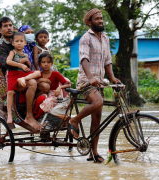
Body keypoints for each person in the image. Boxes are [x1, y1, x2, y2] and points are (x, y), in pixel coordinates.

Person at [67, 9, 121, 163]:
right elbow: (83, 58)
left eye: (101, 18)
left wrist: (112, 78)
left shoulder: (105, 38)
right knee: (98, 102)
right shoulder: (86, 38)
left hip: (100, 82)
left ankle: (93, 153)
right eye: (97, 19)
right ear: (89, 22)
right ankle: (74, 120)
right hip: (86, 81)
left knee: (97, 118)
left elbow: (107, 61)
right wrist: (90, 77)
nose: (101, 21)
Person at [0, 16, 43, 130]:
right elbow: (6, 63)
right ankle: (29, 116)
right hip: (12, 77)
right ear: (0, 30)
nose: (9, 28)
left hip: (25, 74)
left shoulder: (18, 40)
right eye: (5, 26)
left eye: (10, 25)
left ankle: (39, 114)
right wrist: (23, 62)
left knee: (45, 85)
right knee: (32, 83)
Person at [33, 53, 71, 119]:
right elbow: (34, 84)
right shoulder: (38, 74)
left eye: (48, 62)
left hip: (54, 96)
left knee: (48, 101)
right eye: (43, 62)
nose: (46, 64)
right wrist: (42, 80)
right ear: (40, 64)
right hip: (43, 94)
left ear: (52, 63)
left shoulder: (55, 74)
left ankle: (38, 116)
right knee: (41, 98)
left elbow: (68, 84)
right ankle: (34, 113)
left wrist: (60, 87)